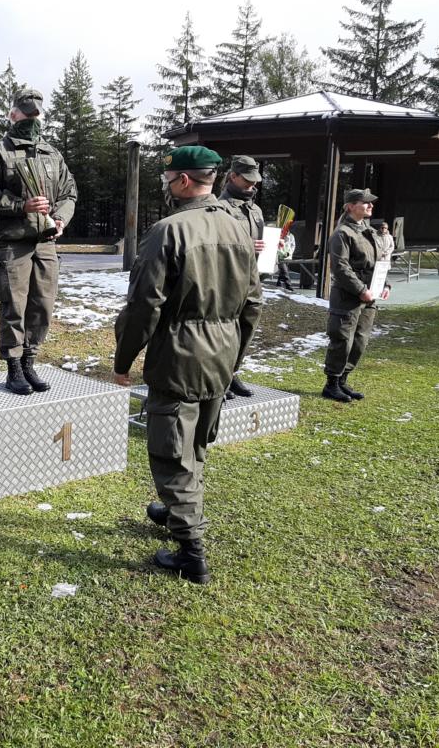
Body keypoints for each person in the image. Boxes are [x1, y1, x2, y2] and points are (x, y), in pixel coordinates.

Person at [113, 146, 263, 584]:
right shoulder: (238, 227)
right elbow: (253, 303)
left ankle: (190, 550)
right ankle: (177, 507)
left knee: (171, 447)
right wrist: (235, 357)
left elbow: (144, 307)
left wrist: (123, 361)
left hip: (179, 354)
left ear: (181, 181)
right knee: (195, 440)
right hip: (222, 352)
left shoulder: (167, 231)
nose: (165, 186)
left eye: (167, 179)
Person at [0, 87, 77, 395]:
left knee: (42, 306)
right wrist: (20, 206)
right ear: (12, 114)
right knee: (14, 307)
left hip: (45, 243)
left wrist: (60, 219)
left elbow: (69, 193)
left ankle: (30, 361)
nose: (31, 119)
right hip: (13, 244)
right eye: (25, 113)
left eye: (36, 114)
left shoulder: (52, 154)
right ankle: (14, 368)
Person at [322, 188, 392, 402]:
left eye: (371, 202)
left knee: (360, 340)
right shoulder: (343, 233)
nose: (371, 206)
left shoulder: (369, 231)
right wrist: (361, 290)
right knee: (342, 339)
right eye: (365, 202)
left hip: (370, 295)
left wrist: (384, 285)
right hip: (348, 295)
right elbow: (340, 267)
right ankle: (331, 384)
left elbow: (379, 261)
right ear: (351, 206)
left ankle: (343, 381)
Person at [216, 154, 265, 400]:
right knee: (225, 330)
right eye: (247, 180)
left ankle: (231, 371)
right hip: (228, 279)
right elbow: (215, 245)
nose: (251, 185)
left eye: (254, 181)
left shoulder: (255, 209)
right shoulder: (219, 208)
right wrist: (247, 245)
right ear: (232, 176)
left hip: (251, 279)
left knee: (248, 325)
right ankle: (218, 379)